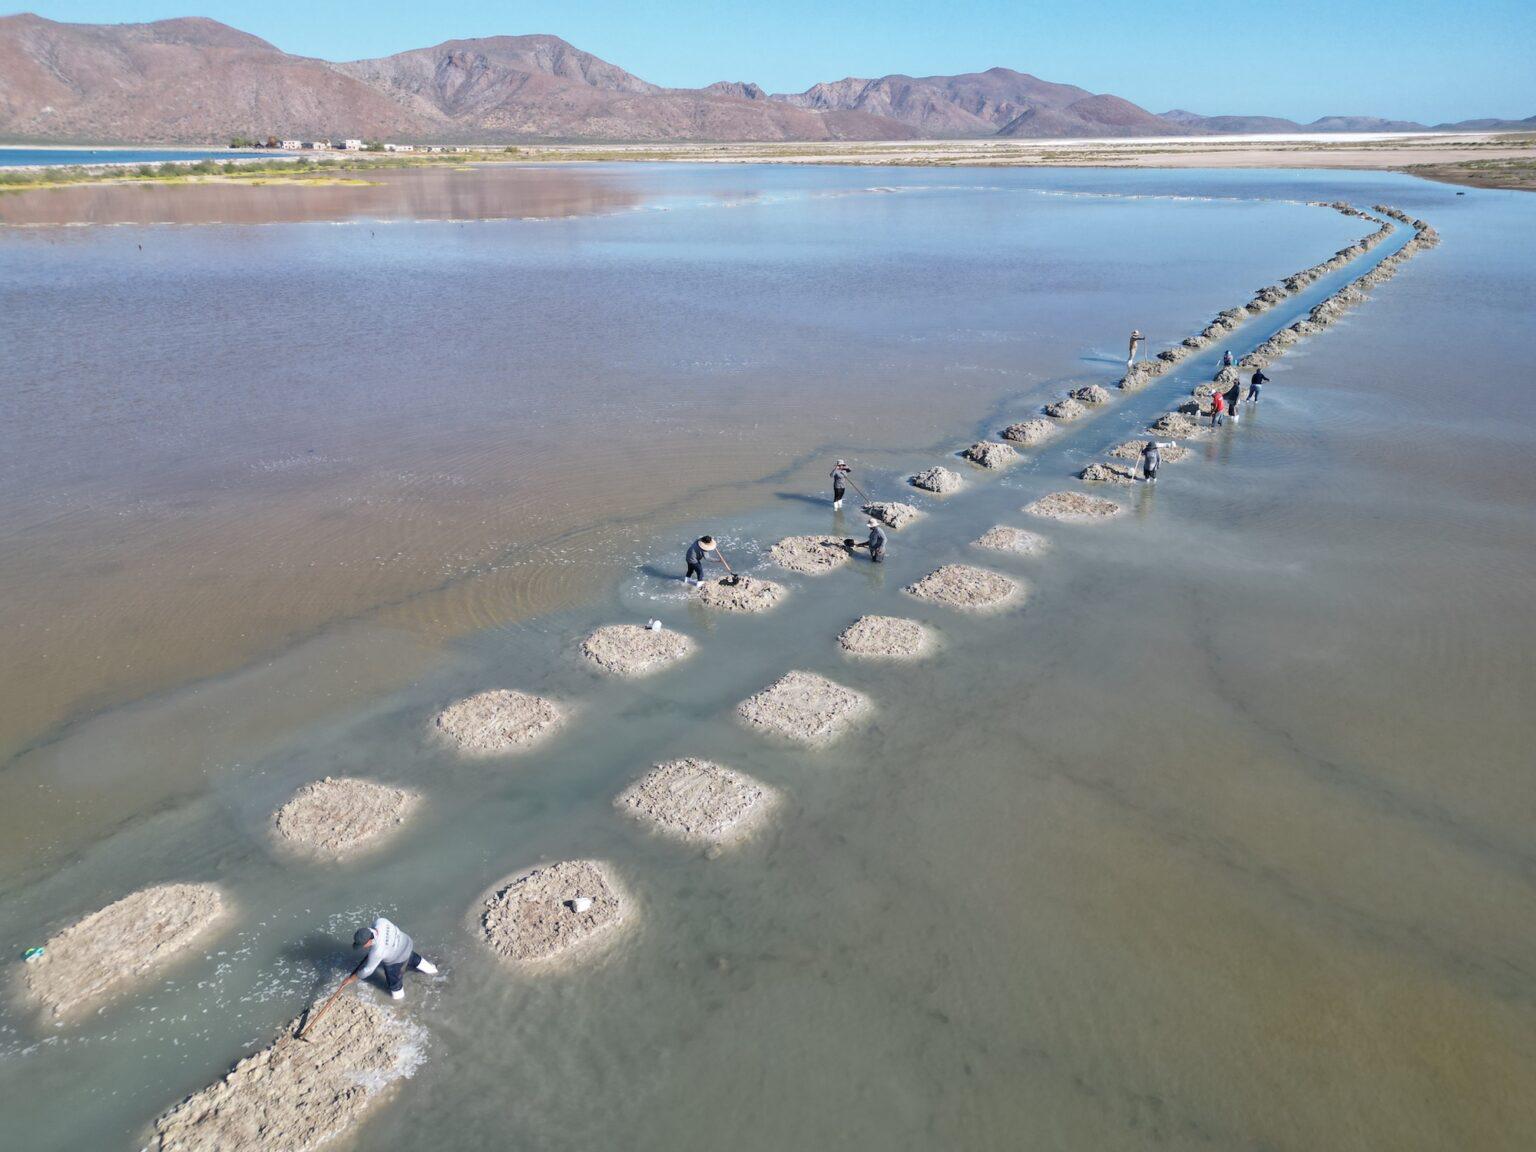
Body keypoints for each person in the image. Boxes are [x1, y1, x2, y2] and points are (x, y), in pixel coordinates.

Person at [351, 917, 437, 1002]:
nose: (362, 947)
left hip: (397, 959)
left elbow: (368, 970)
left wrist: (352, 978)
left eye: (362, 945)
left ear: (369, 941)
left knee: (394, 981)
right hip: (407, 943)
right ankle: (433, 971)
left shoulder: (377, 952)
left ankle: (400, 1002)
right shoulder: (380, 921)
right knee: (411, 957)